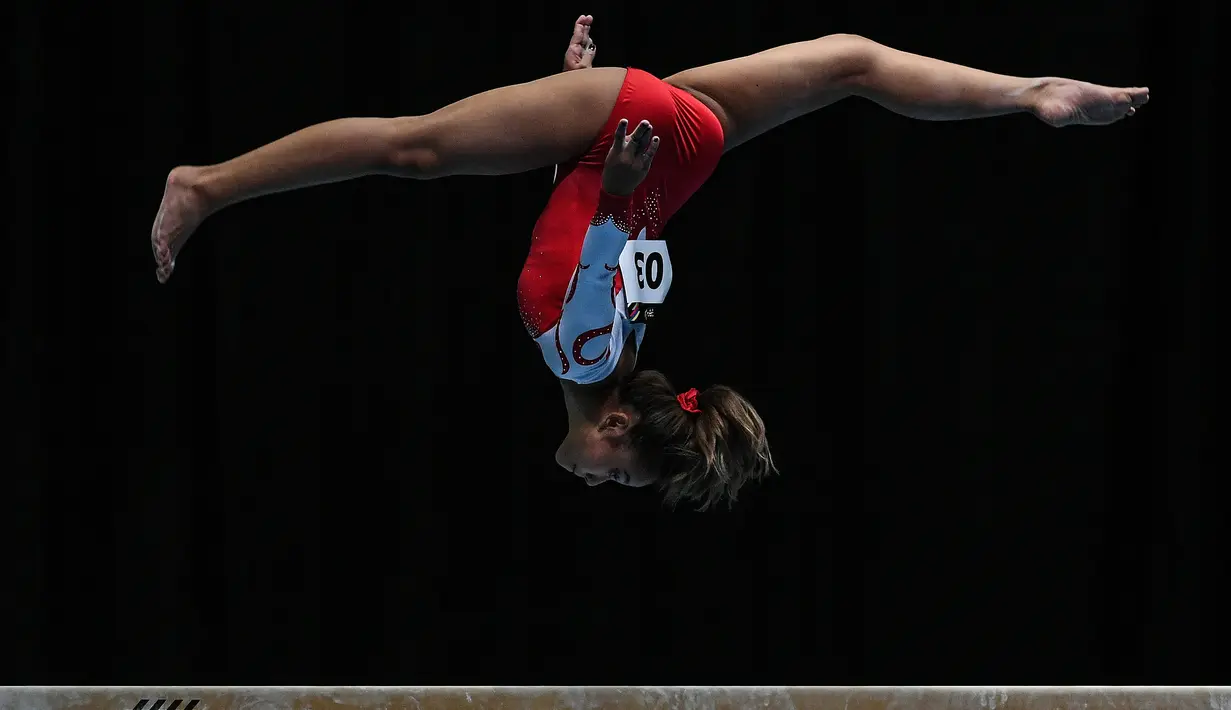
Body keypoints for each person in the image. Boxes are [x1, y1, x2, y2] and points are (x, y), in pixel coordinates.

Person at [149, 16, 1148, 509]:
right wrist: (610, 158)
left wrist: (568, 105)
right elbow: (593, 250)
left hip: (672, 146)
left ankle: (1032, 93)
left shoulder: (618, 343)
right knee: (409, 147)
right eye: (619, 476)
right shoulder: (586, 359)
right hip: (637, 147)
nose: (598, 481)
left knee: (850, 62)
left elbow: (579, 233)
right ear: (619, 425)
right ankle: (206, 184)